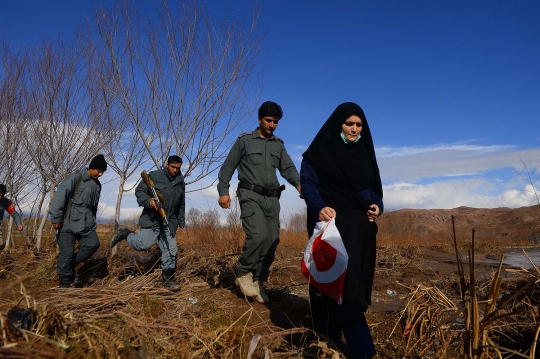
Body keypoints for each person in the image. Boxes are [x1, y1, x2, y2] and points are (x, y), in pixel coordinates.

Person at [300, 102, 383, 358]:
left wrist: (376, 206)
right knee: (334, 283)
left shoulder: (364, 154)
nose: (354, 129)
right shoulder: (319, 152)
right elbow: (308, 183)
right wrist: (320, 207)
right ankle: (358, 348)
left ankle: (333, 336)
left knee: (353, 282)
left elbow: (372, 190)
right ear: (339, 124)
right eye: (349, 124)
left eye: (358, 125)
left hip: (359, 230)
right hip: (330, 225)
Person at [217, 101, 302, 304]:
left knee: (272, 239)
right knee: (258, 235)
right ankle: (244, 273)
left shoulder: (278, 145)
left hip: (272, 198)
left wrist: (300, 185)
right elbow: (227, 167)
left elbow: (288, 168)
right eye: (268, 120)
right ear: (259, 119)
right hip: (250, 195)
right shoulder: (245, 141)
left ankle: (259, 280)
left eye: (275, 122)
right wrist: (223, 192)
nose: (272, 125)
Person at [110, 155, 185, 291]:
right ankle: (125, 233)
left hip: (170, 221)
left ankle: (168, 280)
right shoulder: (154, 176)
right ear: (167, 164)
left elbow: (181, 202)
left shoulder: (180, 180)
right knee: (143, 244)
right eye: (173, 167)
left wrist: (181, 220)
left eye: (178, 168)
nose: (175, 170)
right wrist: (149, 201)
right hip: (152, 219)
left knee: (171, 249)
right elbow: (139, 191)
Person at [50, 154, 108, 288]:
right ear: (91, 167)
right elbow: (59, 197)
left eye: (102, 172)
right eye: (98, 171)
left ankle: (70, 264)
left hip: (86, 225)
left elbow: (93, 206)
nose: (100, 174)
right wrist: (56, 217)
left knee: (93, 244)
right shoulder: (75, 178)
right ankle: (64, 283)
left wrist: (92, 221)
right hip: (67, 224)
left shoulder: (97, 185)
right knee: (66, 253)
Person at [0, 184, 24, 250]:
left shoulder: (6, 202)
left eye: (1, 196)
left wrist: (19, 223)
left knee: (1, 244)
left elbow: (14, 214)